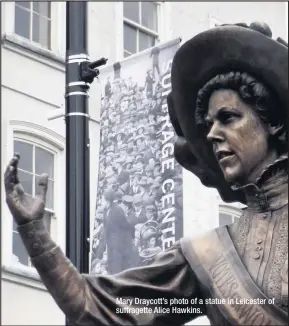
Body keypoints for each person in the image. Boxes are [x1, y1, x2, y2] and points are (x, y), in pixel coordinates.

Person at [4, 22, 288, 325]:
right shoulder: (209, 254)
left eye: (228, 118)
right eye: (208, 125)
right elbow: (99, 306)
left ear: (273, 122)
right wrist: (33, 231)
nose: (212, 134)